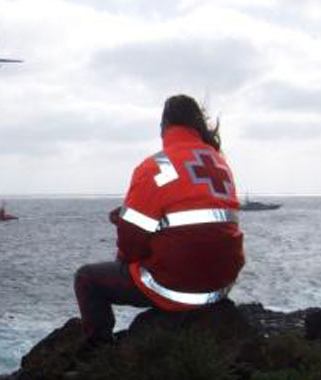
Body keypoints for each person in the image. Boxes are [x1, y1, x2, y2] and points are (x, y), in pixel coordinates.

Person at [74, 94, 245, 344]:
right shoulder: (218, 162)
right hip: (219, 286)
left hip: (178, 287)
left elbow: (131, 240)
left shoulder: (158, 166)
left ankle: (98, 353)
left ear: (164, 126)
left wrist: (125, 257)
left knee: (86, 278)